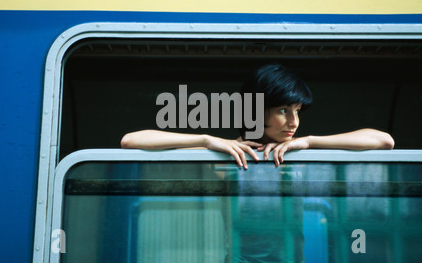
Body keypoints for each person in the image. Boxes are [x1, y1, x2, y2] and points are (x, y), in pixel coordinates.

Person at [121, 63, 395, 167]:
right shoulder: (227, 153)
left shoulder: (299, 153)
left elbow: (384, 141)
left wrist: (309, 142)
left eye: (297, 111)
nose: (294, 122)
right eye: (283, 110)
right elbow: (131, 141)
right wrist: (206, 140)